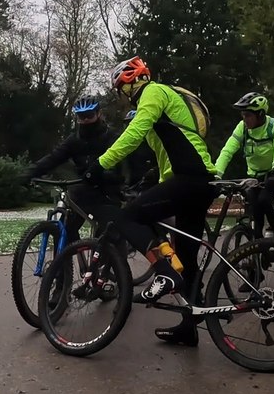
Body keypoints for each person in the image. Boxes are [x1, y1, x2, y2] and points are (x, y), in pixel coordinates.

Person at [85, 56, 217, 347]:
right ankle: (188, 327)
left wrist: (101, 163)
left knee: (128, 216)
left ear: (129, 83)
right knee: (189, 260)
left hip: (189, 178)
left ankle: (164, 274)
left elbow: (134, 133)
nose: (121, 97)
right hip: (198, 181)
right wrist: (152, 183)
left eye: (120, 90)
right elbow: (165, 154)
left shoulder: (154, 92)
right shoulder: (165, 105)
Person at [21, 96, 122, 243]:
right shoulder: (74, 140)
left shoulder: (112, 137)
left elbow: (120, 165)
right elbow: (53, 158)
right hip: (83, 190)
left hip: (107, 192)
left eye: (89, 115)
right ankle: (63, 263)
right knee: (63, 230)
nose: (86, 120)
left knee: (109, 237)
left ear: (99, 114)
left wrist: (107, 176)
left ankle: (115, 263)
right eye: (81, 116)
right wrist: (30, 173)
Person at [213, 92, 274, 239]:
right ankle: (259, 249)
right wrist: (217, 174)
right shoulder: (242, 128)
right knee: (255, 211)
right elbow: (227, 151)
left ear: (260, 114)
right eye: (243, 115)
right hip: (254, 176)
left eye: (248, 115)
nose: (244, 119)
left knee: (264, 200)